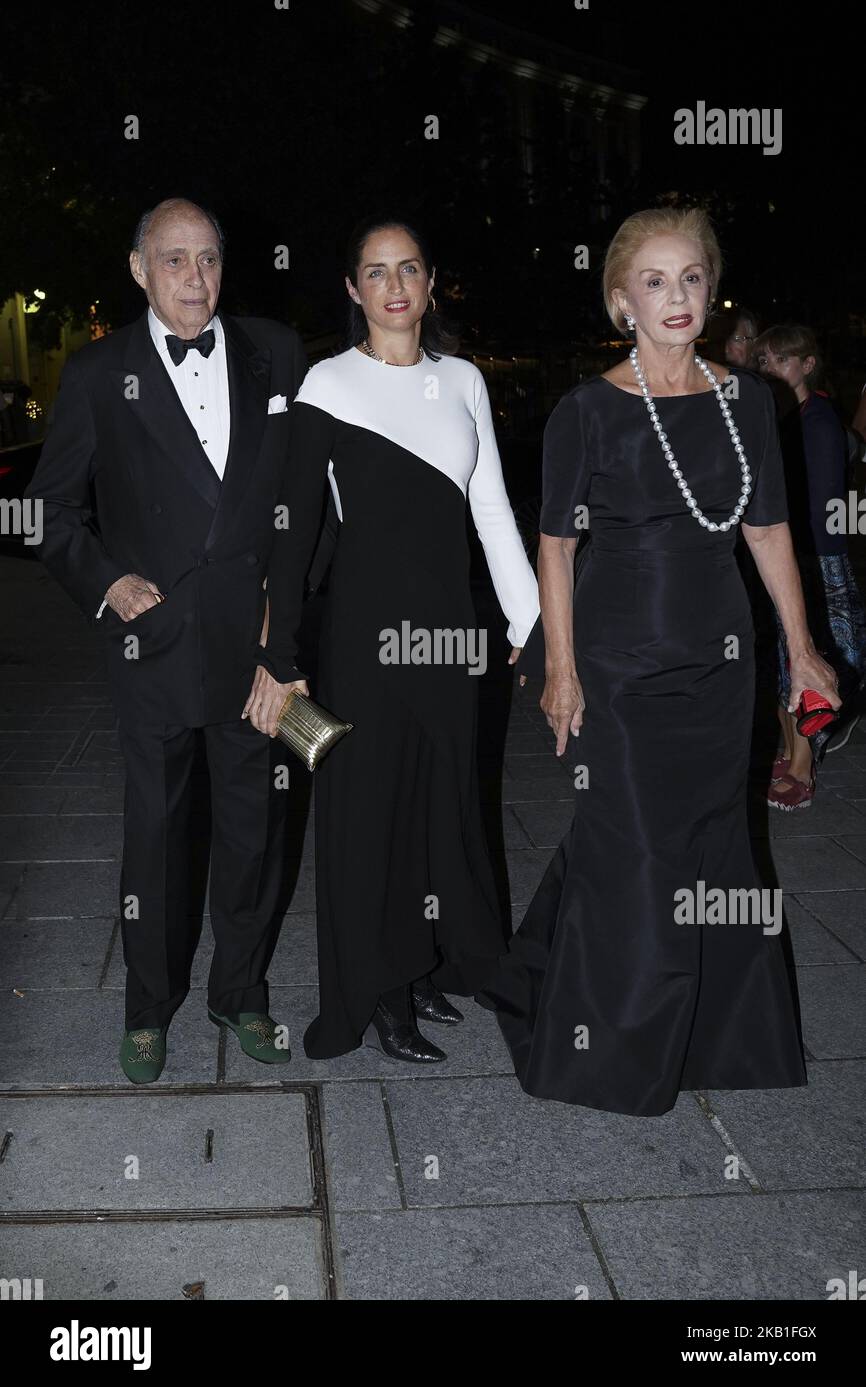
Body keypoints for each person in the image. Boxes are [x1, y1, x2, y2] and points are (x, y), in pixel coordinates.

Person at [474, 207, 839, 1116]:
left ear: (711, 291)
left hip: (720, 661)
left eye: (691, 279)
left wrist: (800, 649)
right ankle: (611, 1048)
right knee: (632, 843)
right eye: (654, 281)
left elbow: (767, 529)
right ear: (620, 299)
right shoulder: (587, 410)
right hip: (619, 660)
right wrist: (560, 669)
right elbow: (554, 547)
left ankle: (716, 1034)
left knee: (715, 841)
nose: (676, 298)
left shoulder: (750, 400)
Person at [25, 198, 308, 1082]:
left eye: (210, 259)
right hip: (152, 644)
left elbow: (305, 506)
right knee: (155, 834)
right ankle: (147, 1009)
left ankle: (242, 993)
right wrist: (105, 580)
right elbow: (48, 510)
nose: (196, 278)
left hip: (251, 644)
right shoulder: (100, 371)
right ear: (141, 269)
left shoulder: (275, 351)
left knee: (254, 832)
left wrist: (285, 627)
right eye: (175, 260)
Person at [245, 216, 539, 1063]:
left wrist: (531, 626)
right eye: (375, 272)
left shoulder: (465, 380)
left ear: (431, 279)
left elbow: (491, 509)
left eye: (409, 268)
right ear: (352, 289)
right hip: (363, 643)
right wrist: (282, 658)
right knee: (369, 817)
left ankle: (426, 965)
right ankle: (374, 993)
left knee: (441, 807)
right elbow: (294, 536)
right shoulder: (327, 386)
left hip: (451, 638)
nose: (395, 285)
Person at [756, 325, 866, 801]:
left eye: (780, 360)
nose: (769, 369)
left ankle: (802, 764)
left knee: (809, 660)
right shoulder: (787, 419)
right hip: (793, 559)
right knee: (782, 659)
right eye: (765, 360)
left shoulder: (817, 419)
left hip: (817, 563)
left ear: (806, 365)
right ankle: (789, 746)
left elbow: (824, 507)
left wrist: (809, 566)